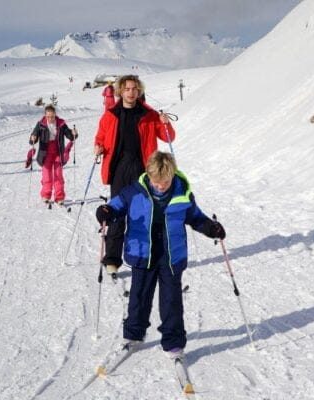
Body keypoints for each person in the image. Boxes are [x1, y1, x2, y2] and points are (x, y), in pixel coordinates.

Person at [95, 151, 226, 358]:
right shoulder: (134, 191)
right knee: (139, 295)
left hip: (171, 253)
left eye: (164, 182)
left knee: (171, 300)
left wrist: (211, 228)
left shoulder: (182, 193)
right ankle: (133, 335)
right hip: (143, 250)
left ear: (172, 175)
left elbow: (196, 217)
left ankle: (174, 344)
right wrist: (106, 211)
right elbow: (116, 205)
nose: (160, 186)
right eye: (156, 182)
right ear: (149, 175)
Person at [94, 74, 175, 275]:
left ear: (139, 91)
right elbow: (101, 138)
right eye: (127, 89)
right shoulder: (110, 115)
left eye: (134, 89)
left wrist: (165, 123)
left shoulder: (149, 115)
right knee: (117, 213)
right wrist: (98, 147)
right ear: (120, 91)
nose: (131, 92)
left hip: (143, 169)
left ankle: (140, 256)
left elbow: (168, 136)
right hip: (119, 168)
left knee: (140, 214)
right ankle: (112, 258)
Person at [29, 104, 77, 205]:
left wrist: (73, 133)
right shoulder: (41, 124)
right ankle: (46, 195)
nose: (50, 118)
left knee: (58, 174)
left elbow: (68, 134)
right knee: (47, 175)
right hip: (45, 152)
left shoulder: (61, 124)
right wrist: (33, 138)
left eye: (52, 116)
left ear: (55, 115)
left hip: (58, 152)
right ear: (45, 115)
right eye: (48, 116)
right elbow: (34, 135)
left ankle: (59, 197)